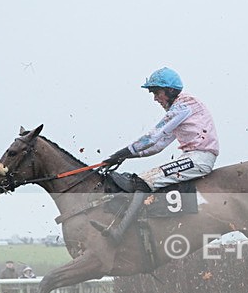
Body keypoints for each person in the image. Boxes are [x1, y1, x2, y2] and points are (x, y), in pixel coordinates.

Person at [91, 66, 220, 243]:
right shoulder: (179, 110)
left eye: (157, 92)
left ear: (170, 90)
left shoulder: (184, 105)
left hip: (199, 158)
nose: (155, 98)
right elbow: (157, 145)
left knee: (144, 181)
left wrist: (120, 153)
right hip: (192, 157)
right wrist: (125, 157)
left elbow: (152, 137)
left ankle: (119, 233)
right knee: (143, 179)